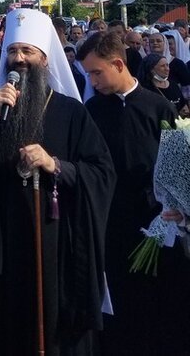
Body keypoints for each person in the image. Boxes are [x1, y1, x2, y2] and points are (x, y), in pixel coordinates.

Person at [0, 9, 116, 354]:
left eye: (27, 52)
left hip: (55, 241)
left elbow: (101, 172)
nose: (19, 59)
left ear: (44, 59)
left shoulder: (71, 112)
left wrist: (55, 164)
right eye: (13, 51)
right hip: (6, 239)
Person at [78, 31, 190, 355]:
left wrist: (178, 207)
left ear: (117, 63)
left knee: (160, 305)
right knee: (120, 306)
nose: (93, 81)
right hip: (112, 223)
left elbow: (178, 166)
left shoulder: (158, 108)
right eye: (88, 75)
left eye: (96, 72)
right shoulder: (92, 111)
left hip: (157, 223)